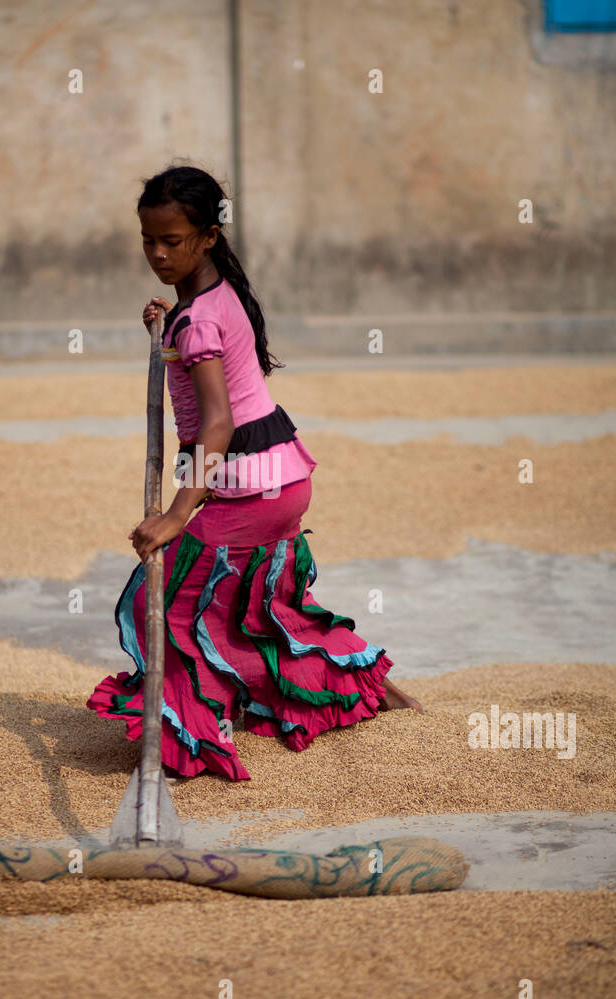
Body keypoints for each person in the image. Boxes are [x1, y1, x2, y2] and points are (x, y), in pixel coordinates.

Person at [86, 165, 422, 780]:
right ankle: (368, 688)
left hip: (246, 482)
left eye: (173, 241)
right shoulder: (210, 297)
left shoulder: (200, 320)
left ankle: (194, 735)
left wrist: (174, 515)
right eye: (147, 240)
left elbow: (215, 423)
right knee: (257, 605)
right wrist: (167, 332)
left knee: (156, 600)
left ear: (209, 237)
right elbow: (211, 369)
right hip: (280, 472)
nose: (157, 253)